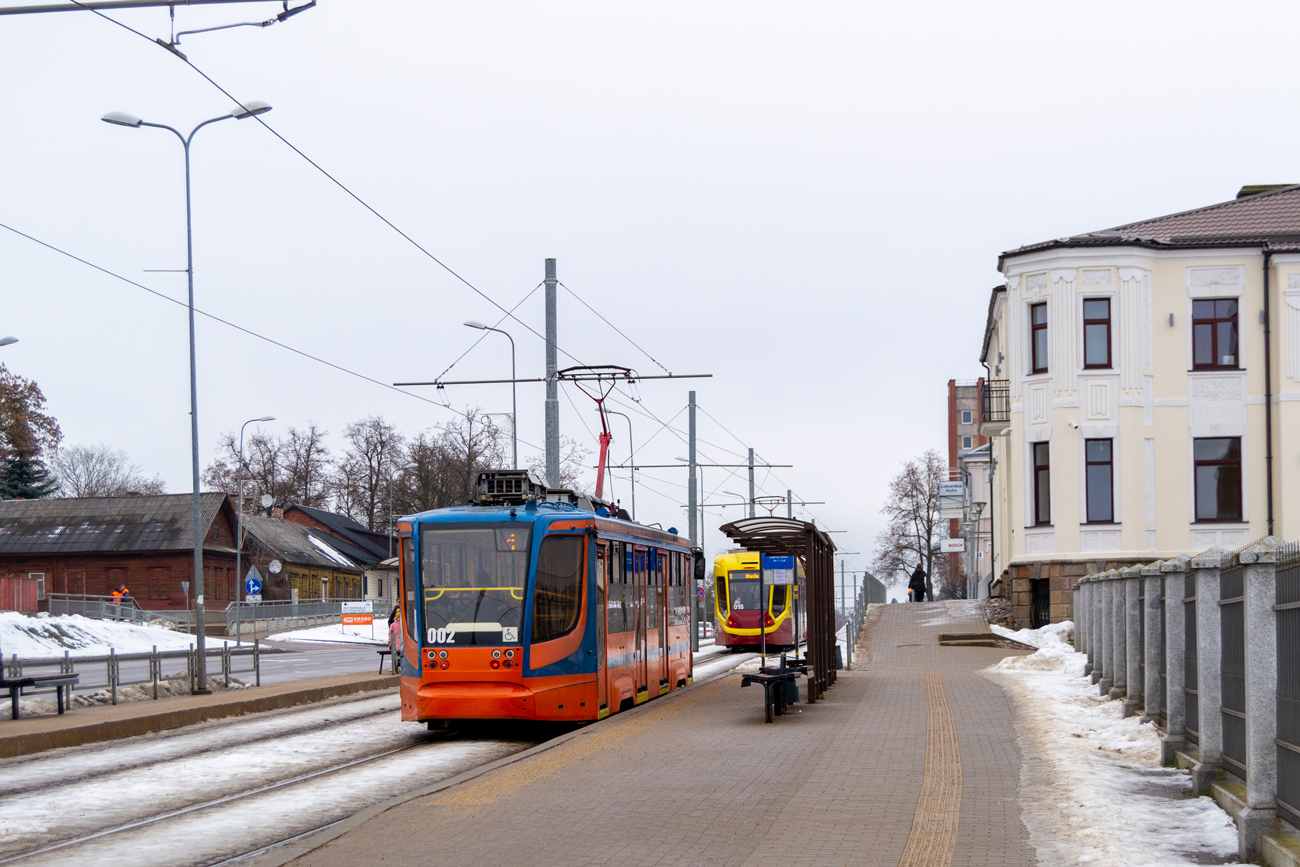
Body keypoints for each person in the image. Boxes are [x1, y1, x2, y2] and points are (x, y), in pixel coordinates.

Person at [388, 606, 402, 673]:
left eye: (400, 617)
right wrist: (390, 642)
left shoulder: (403, 624)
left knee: (401, 655)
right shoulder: (393, 625)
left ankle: (399, 666)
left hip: (401, 643)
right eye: (398, 617)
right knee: (395, 655)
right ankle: (395, 666)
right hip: (396, 643)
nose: (399, 619)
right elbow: (390, 634)